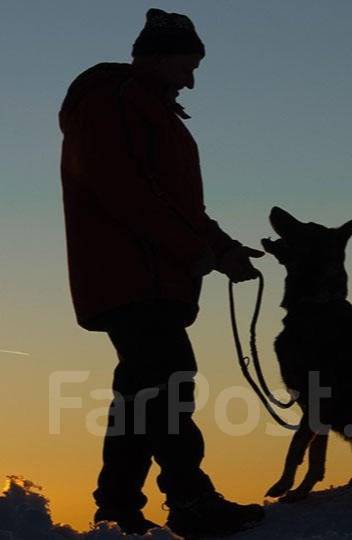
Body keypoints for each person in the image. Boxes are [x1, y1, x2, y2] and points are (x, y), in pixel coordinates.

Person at [59, 8, 265, 537]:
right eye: (187, 65)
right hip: (133, 275)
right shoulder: (113, 104)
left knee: (143, 390)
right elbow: (128, 193)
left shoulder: (144, 108)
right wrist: (202, 251)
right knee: (170, 383)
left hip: (146, 274)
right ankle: (190, 501)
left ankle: (119, 504)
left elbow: (174, 203)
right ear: (158, 57)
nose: (192, 80)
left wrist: (220, 246)